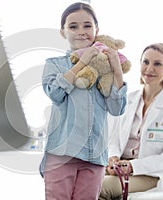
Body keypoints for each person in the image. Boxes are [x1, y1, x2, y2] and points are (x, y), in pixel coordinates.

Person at [40, 2, 128, 200]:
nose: (81, 31)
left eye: (87, 25)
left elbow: (117, 108)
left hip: (94, 155)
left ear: (97, 29)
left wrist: (117, 70)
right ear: (63, 32)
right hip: (62, 153)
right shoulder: (54, 64)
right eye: (73, 26)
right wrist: (82, 63)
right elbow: (55, 94)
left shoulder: (104, 68)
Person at [99, 43, 163, 200]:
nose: (149, 68)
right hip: (120, 166)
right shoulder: (128, 99)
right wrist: (113, 158)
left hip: (149, 174)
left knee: (101, 187)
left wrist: (133, 166)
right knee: (79, 179)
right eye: (146, 62)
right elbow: (114, 140)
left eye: (157, 64)